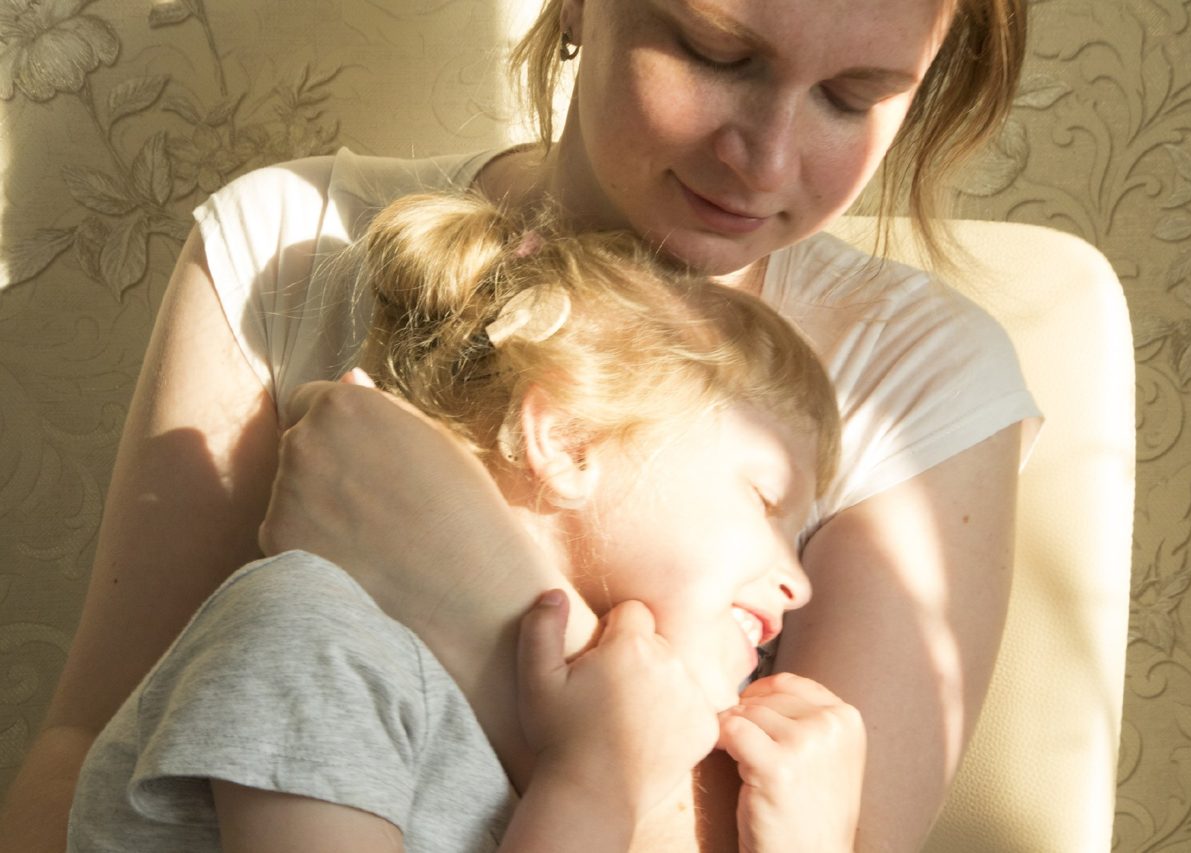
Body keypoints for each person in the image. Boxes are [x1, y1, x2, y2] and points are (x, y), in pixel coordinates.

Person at [0, 1, 1038, 850]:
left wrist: (473, 585)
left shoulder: (919, 376)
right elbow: (88, 745)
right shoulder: (290, 247)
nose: (763, 161)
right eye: (713, 53)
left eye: (851, 98)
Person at [65, 191, 862, 852]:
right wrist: (594, 779)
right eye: (765, 500)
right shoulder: (314, 638)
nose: (798, 582)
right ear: (568, 441)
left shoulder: (584, 714)